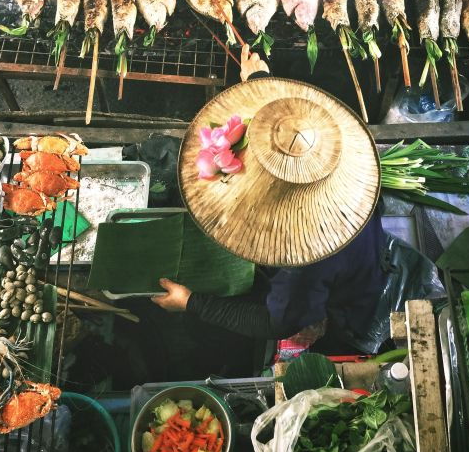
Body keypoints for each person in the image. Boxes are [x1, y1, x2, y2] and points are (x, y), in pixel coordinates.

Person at [152, 45, 389, 356]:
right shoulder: (329, 144)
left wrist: (191, 303)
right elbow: (291, 135)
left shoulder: (302, 257)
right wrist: (260, 80)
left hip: (352, 297)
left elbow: (274, 323)